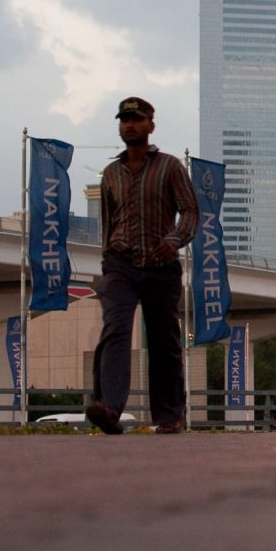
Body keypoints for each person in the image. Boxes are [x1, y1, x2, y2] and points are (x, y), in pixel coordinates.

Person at [86, 97, 198, 435]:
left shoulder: (170, 167)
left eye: (136, 120)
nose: (129, 126)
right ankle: (108, 408)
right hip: (120, 265)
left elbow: (191, 211)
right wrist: (107, 260)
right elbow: (108, 222)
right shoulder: (110, 174)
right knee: (115, 329)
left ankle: (169, 416)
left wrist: (175, 241)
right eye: (124, 120)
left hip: (161, 265)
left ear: (151, 125)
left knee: (163, 341)